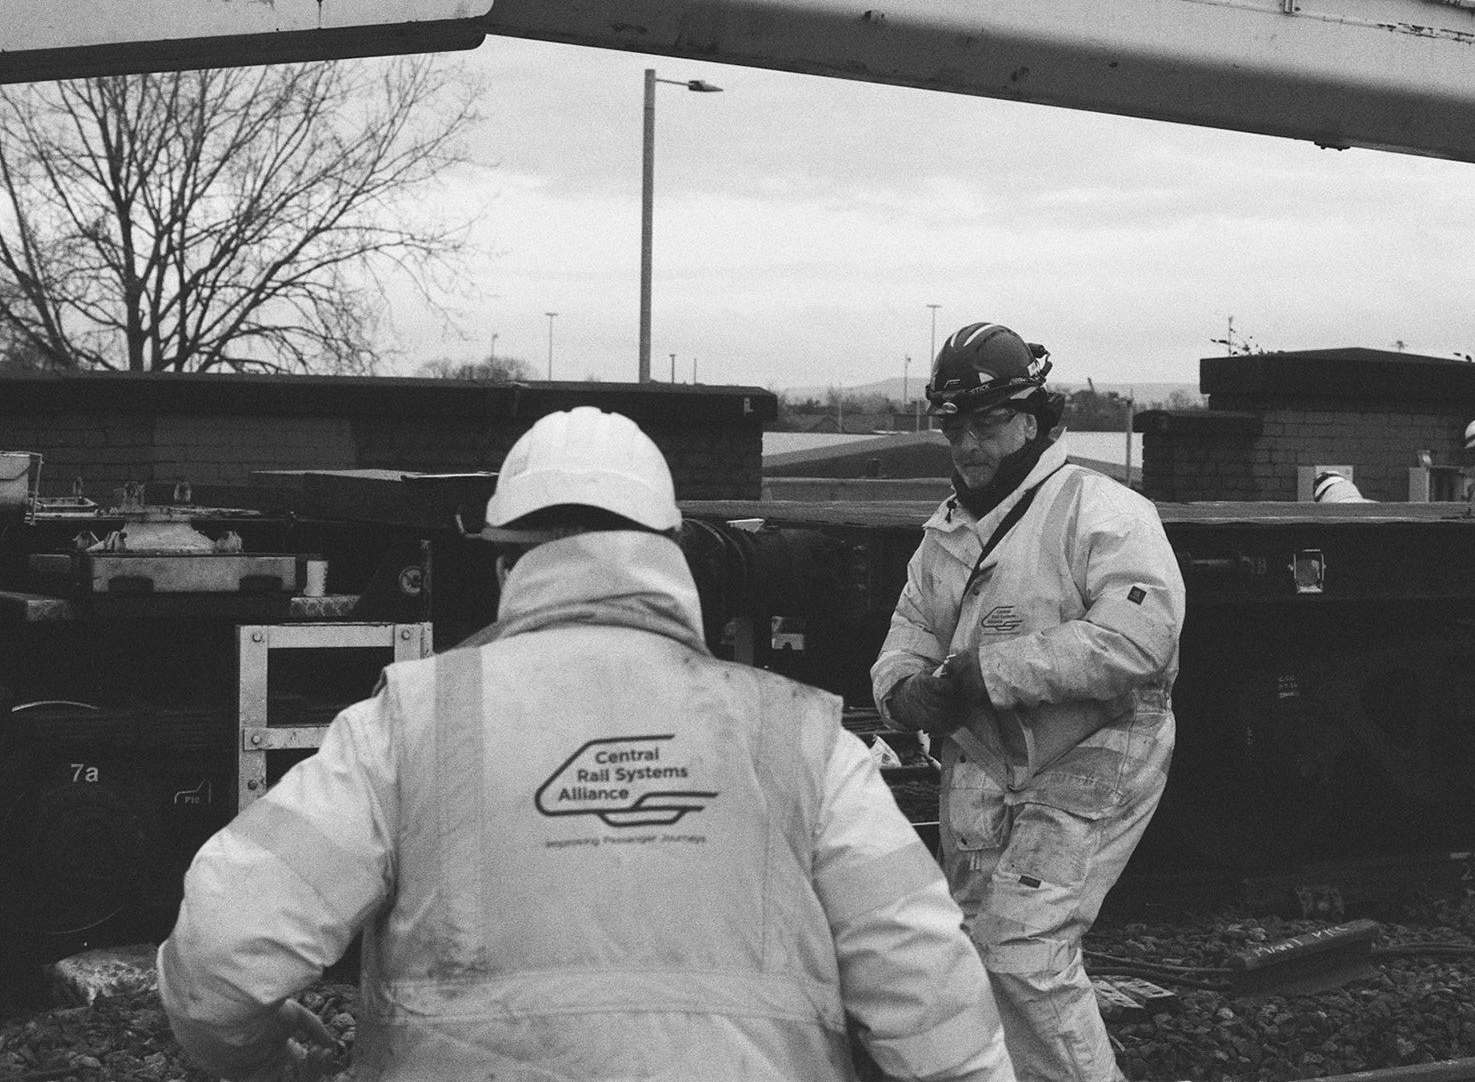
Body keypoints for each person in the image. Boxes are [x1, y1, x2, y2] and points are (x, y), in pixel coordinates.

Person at [160, 406, 1015, 1082]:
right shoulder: (798, 738)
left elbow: (220, 958)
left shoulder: (410, 726)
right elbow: (933, 1000)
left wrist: (259, 1055)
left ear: (506, 565)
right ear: (672, 551)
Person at [872, 323, 1184, 1082]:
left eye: (987, 424)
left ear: (1036, 421)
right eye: (955, 429)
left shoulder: (1102, 511)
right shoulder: (945, 536)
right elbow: (907, 636)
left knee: (1022, 951)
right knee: (974, 954)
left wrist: (987, 675)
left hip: (1097, 746)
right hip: (987, 758)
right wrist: (905, 694)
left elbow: (1138, 640)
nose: (969, 445)